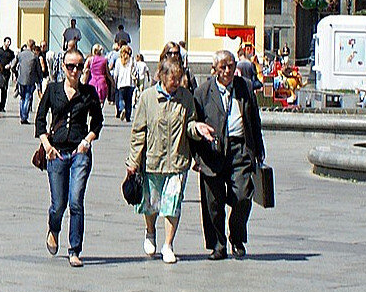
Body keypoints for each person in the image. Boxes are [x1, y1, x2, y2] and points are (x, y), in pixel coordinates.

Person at [128, 45, 209, 264]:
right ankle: (150, 231)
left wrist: (198, 129)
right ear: (162, 76)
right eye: (172, 78)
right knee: (152, 203)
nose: (176, 83)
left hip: (177, 161)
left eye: (179, 78)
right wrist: (133, 161)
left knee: (172, 204)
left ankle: (168, 244)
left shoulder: (186, 98)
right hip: (153, 161)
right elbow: (138, 132)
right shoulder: (147, 98)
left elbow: (189, 124)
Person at [193, 49, 266, 261]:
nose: (227, 70)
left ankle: (237, 236)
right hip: (212, 152)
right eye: (223, 67)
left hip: (239, 149)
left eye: (231, 66)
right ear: (215, 69)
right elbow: (194, 125)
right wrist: (197, 158)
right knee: (213, 203)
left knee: (243, 196)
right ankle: (218, 244)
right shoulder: (203, 92)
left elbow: (254, 120)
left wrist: (258, 150)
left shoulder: (245, 87)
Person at [33, 48, 102, 266]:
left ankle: (74, 249)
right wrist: (47, 145)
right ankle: (54, 228)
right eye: (70, 66)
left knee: (76, 201)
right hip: (56, 153)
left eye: (79, 66)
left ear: (84, 68)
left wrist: (87, 141)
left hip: (79, 153)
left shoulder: (89, 93)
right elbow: (40, 120)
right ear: (63, 67)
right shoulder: (53, 90)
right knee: (58, 204)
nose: (74, 70)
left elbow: (97, 122)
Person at [13, 40, 41, 123]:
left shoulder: (20, 54)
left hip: (21, 79)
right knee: (28, 98)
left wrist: (16, 74)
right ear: (33, 46)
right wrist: (39, 78)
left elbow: (13, 65)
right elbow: (38, 69)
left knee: (22, 97)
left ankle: (22, 115)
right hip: (30, 80)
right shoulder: (34, 56)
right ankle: (24, 117)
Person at [114, 44, 140, 122]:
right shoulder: (132, 60)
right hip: (130, 83)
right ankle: (128, 116)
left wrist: (115, 82)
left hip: (121, 83)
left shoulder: (119, 61)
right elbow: (136, 71)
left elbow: (116, 73)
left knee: (121, 98)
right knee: (129, 100)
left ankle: (122, 109)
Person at [0, 38, 16, 116]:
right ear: (4, 42)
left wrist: (10, 65)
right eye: (7, 42)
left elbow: (13, 61)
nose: (8, 43)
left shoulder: (11, 53)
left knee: (4, 89)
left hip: (6, 73)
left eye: (10, 42)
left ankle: (2, 106)